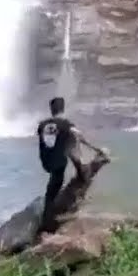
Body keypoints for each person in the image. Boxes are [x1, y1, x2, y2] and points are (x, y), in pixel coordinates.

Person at [36, 96, 107, 228]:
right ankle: (49, 222)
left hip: (46, 161)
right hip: (59, 163)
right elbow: (78, 134)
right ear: (63, 109)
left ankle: (80, 168)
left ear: (51, 110)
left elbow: (45, 139)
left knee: (52, 189)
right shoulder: (65, 124)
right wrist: (95, 148)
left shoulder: (42, 124)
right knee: (53, 190)